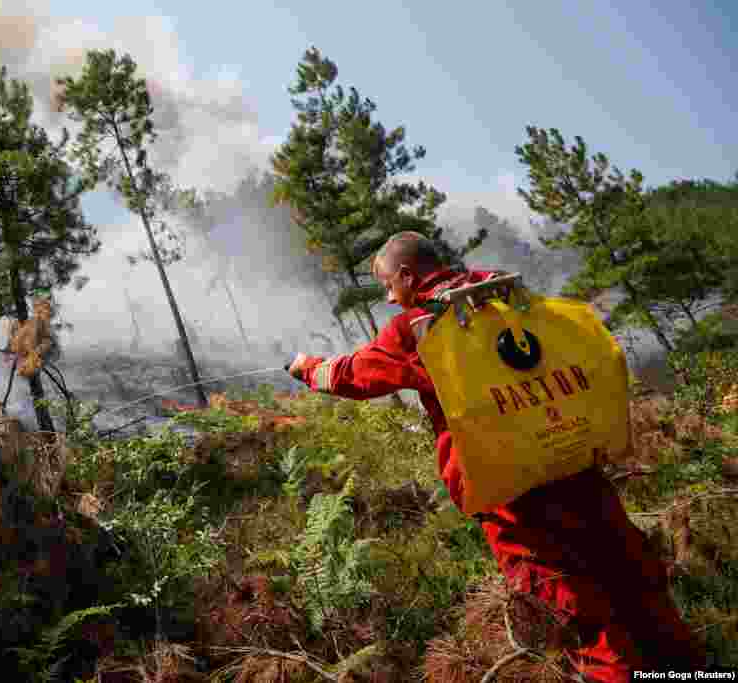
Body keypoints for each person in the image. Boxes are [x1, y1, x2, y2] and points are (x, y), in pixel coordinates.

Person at [287, 231, 704, 682]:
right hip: (570, 457)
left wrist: (306, 367)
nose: (390, 299)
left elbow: (354, 376)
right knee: (630, 575)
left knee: (572, 604)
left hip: (506, 487)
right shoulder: (508, 290)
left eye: (389, 287)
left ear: (408, 276)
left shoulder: (421, 326)